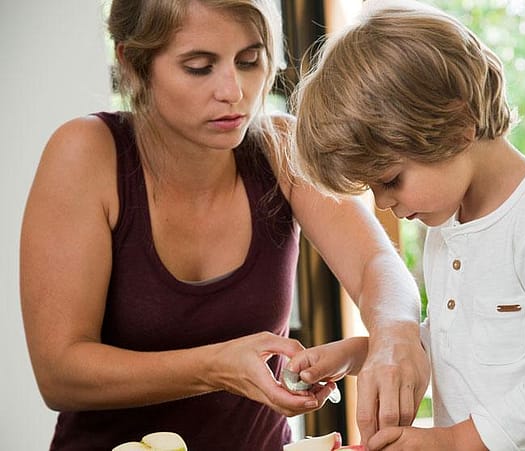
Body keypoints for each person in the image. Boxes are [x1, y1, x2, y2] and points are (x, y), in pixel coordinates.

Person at [19, 0, 429, 450]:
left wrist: (394, 335)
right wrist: (217, 366)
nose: (233, 91)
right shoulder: (86, 152)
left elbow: (377, 265)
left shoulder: (281, 148)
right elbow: (58, 374)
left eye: (249, 60)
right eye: (199, 67)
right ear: (132, 63)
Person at [289, 1, 525, 449]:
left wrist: (455, 441)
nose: (383, 203)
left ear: (456, 124)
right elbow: (464, 348)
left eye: (391, 180)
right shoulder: (447, 230)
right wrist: (363, 353)